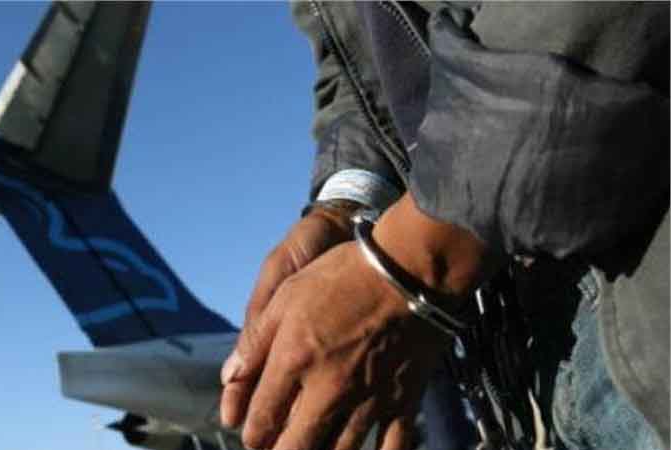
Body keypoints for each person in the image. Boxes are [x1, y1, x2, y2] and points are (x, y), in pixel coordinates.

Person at [219, 3, 669, 450]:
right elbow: (359, 69)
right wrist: (349, 204)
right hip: (534, 346)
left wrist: (413, 258)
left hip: (642, 287)